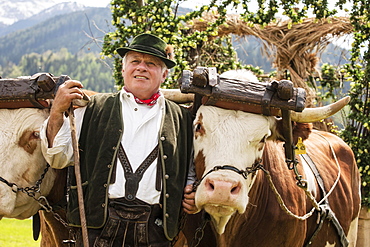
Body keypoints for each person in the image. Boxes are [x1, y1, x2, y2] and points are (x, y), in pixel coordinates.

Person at [41, 33, 198, 247]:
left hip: (156, 232)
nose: (141, 67)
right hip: (97, 228)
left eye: (151, 63)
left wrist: (192, 193)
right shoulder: (92, 108)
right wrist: (57, 112)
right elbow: (58, 158)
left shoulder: (182, 118)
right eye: (135, 61)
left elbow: (189, 170)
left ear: (164, 74)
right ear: (124, 69)